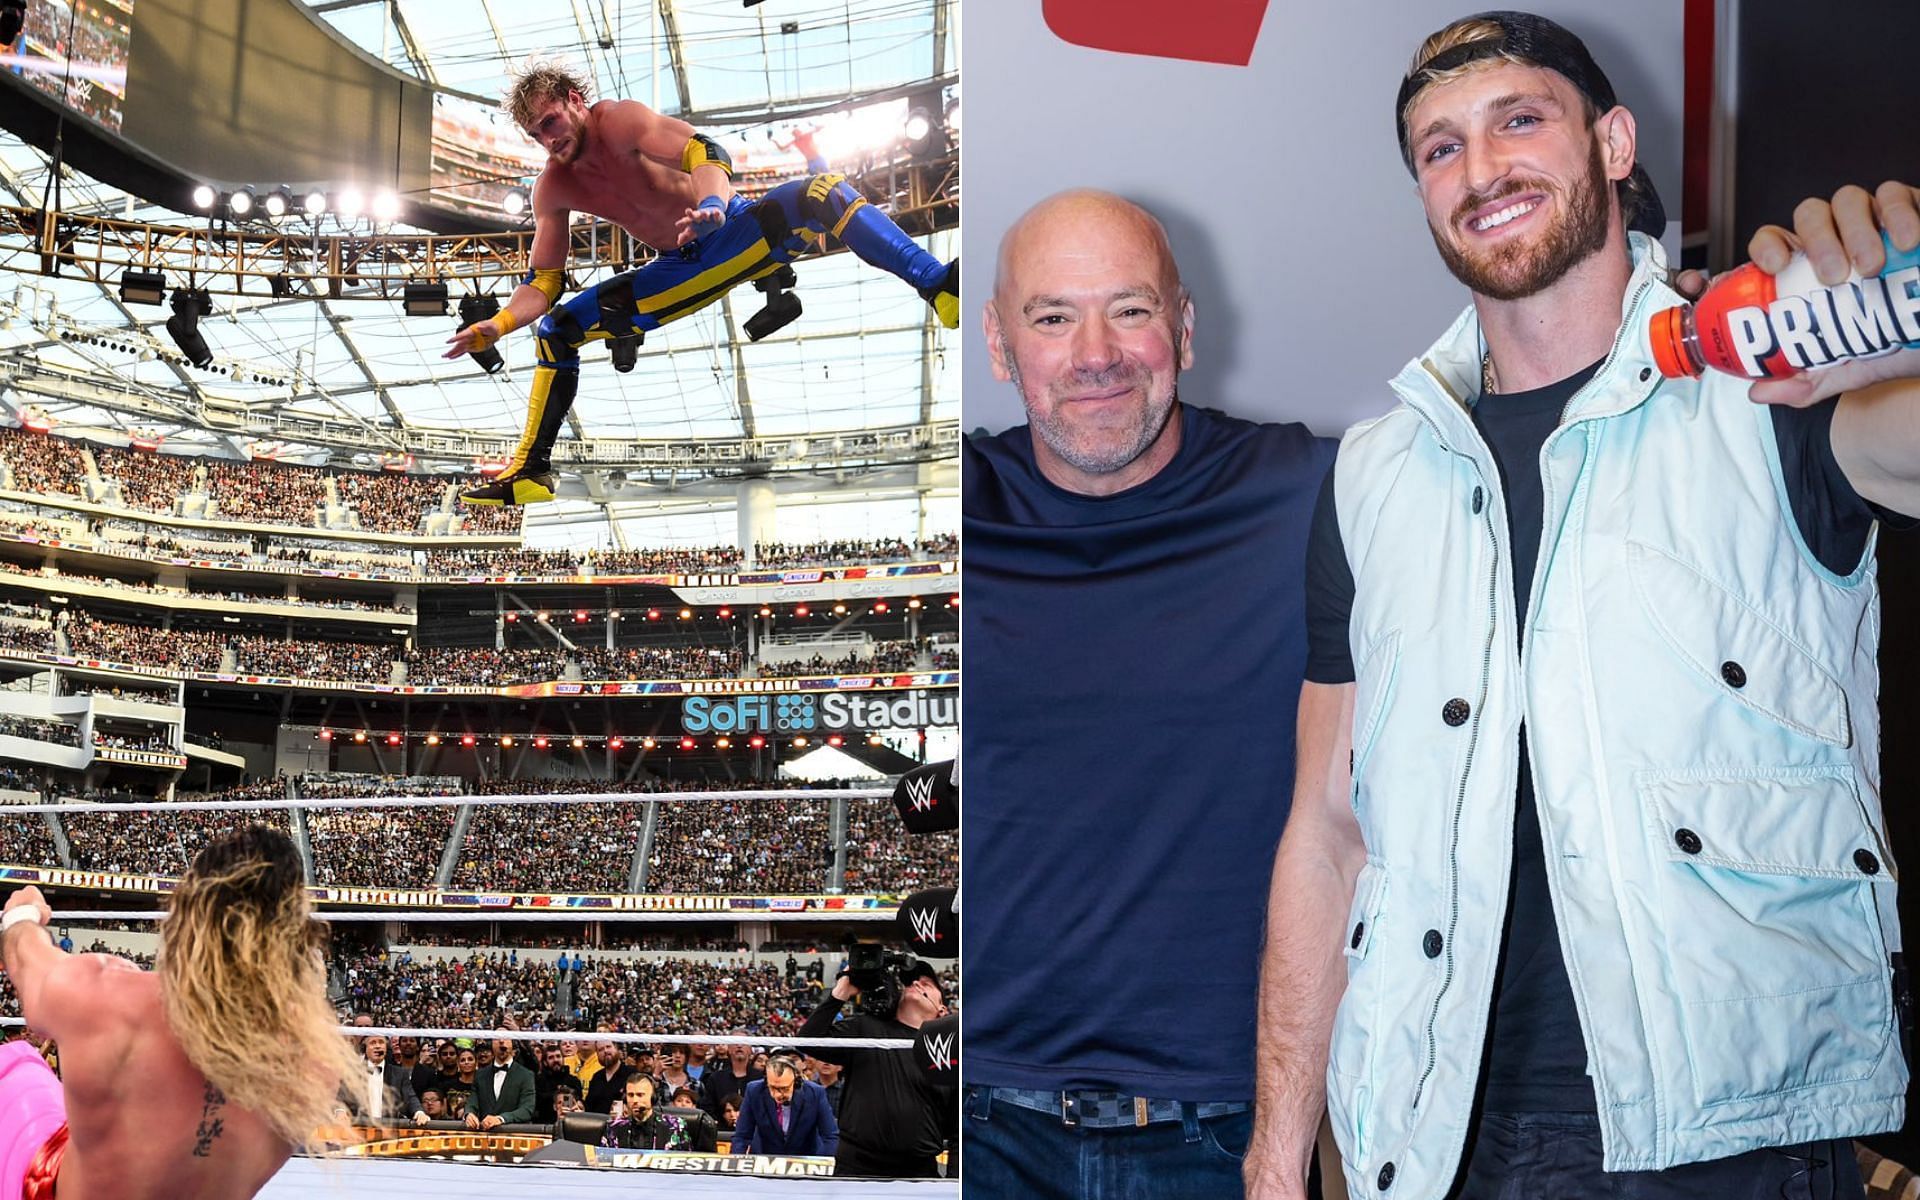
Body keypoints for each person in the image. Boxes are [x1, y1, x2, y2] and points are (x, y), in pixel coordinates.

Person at [1246, 13, 1920, 1200]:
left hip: (1728, 1143)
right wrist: (1274, 1155)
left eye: (1520, 120)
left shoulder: (1766, 385)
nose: (1482, 168)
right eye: (1438, 148)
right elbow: (1326, 831)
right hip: (1430, 1143)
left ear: (1612, 142)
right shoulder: (1377, 473)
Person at [962, 189, 1334, 1198]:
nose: (1096, 353)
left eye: (1130, 309)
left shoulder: (1314, 493)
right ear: (1000, 346)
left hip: (1231, 1132)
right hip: (979, 1123)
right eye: (1051, 317)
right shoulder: (948, 516)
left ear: (1184, 329)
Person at [446, 63, 960, 507]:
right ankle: (531, 470)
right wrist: (500, 322)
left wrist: (712, 203)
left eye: (551, 121)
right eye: (535, 134)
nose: (547, 139)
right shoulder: (552, 186)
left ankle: (937, 285)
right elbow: (545, 279)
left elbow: (703, 150)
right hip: (679, 268)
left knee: (821, 189)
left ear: (575, 102)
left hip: (737, 230)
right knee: (556, 330)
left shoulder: (620, 120)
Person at [0, 826, 362, 1200]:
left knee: (15, 1069)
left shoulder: (105, 998)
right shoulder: (316, 1062)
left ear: (186, 912)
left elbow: (26, 962)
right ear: (298, 933)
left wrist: (22, 914)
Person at [797, 959, 951, 1178]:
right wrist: (842, 989)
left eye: (926, 984)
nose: (916, 984)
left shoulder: (946, 1051)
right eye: (911, 982)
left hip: (918, 1171)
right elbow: (808, 1041)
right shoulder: (865, 1027)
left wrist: (955, 1183)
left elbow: (958, 1131)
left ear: (942, 1010)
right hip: (857, 1166)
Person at [731, 1056, 840, 1157]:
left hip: (805, 1161)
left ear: (796, 1082)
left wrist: (825, 1167)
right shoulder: (754, 1091)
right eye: (772, 1087)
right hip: (764, 1160)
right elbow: (741, 1136)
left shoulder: (815, 1093)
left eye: (784, 1088)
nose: (778, 1094)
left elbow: (830, 1136)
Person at [601, 1075, 717, 1151]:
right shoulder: (613, 1127)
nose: (635, 1100)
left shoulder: (675, 1126)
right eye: (631, 1095)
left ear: (653, 1097)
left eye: (640, 1095)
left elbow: (685, 1166)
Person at [341, 1033, 428, 1126]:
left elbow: (410, 1097)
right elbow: (341, 1098)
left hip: (389, 1130)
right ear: (365, 1049)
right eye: (373, 1043)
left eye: (381, 1042)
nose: (377, 1046)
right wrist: (340, 1112)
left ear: (386, 1048)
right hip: (359, 1128)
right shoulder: (352, 1072)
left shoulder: (399, 1073)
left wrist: (419, 1112)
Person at [466, 1034, 536, 1130]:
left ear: (512, 1043)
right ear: (491, 1044)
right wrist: (469, 1114)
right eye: (497, 1038)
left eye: (506, 1037)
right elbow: (472, 1101)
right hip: (484, 1137)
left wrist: (501, 1119)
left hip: (514, 1136)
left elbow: (527, 1110)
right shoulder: (480, 1074)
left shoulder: (526, 1075)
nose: (501, 1041)